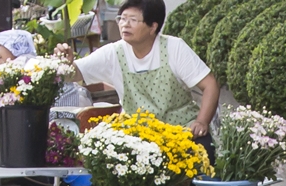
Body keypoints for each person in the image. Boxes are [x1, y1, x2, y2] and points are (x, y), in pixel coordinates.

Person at [67, 0, 219, 140]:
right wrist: (65, 62)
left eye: (133, 20)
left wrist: (201, 122)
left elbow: (210, 85)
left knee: (204, 150)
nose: (125, 24)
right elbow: (76, 73)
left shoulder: (174, 48)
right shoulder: (114, 53)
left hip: (181, 133)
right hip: (137, 138)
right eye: (122, 18)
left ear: (153, 27)